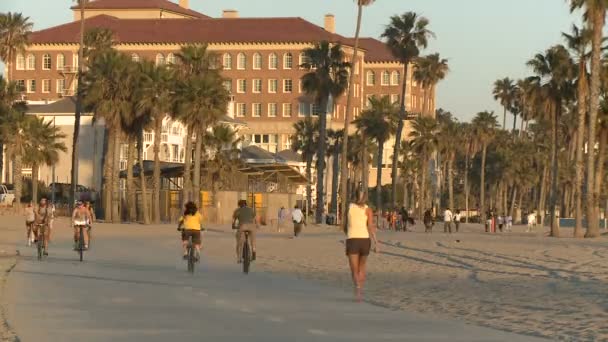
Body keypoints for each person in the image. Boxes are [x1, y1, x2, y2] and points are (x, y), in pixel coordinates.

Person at [345, 191, 378, 302]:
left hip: (352, 239)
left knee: (354, 269)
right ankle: (360, 290)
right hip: (365, 240)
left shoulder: (349, 207)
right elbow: (370, 227)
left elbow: (345, 224)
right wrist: (376, 243)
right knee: (362, 267)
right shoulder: (368, 210)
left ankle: (357, 290)